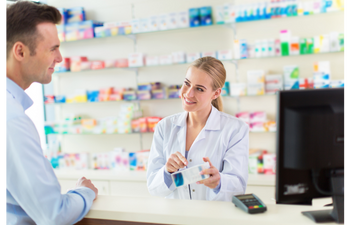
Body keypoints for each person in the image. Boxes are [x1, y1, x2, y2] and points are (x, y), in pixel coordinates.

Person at [4, 2, 98, 224]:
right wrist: (85, 192)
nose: (60, 58)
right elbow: (54, 215)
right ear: (20, 51)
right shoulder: (11, 119)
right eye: (53, 48)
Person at [147, 56, 249, 201]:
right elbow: (153, 187)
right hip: (174, 218)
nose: (188, 93)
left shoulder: (235, 129)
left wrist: (219, 181)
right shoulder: (165, 126)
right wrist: (167, 171)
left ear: (216, 93)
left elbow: (238, 186)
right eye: (187, 84)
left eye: (199, 89)